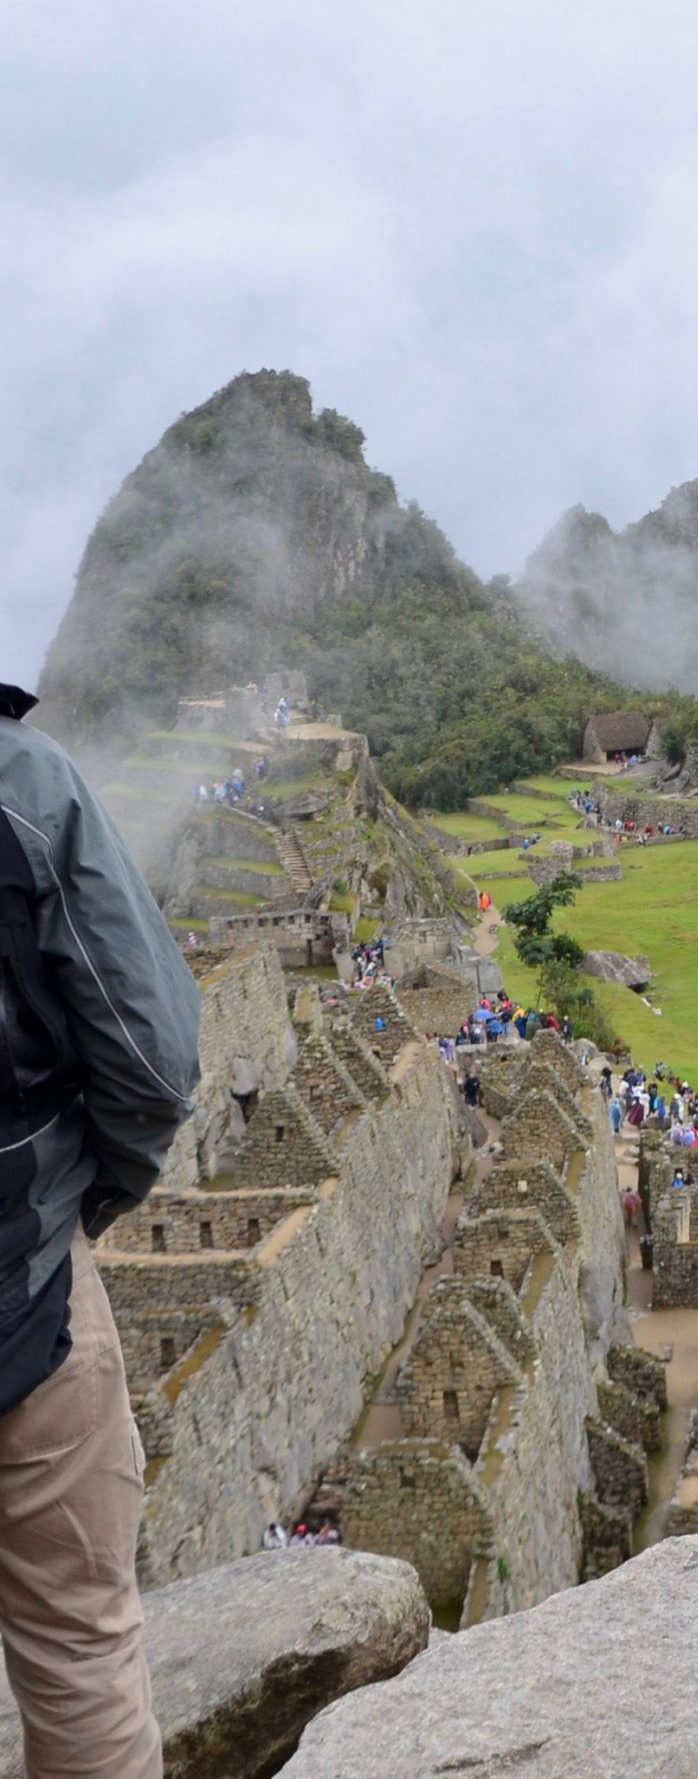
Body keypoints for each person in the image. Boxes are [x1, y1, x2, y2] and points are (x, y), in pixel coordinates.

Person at [0, 679, 202, 1778]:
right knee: (78, 1647)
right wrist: (93, 1200)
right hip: (22, 1294)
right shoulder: (23, 785)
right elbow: (152, 1056)